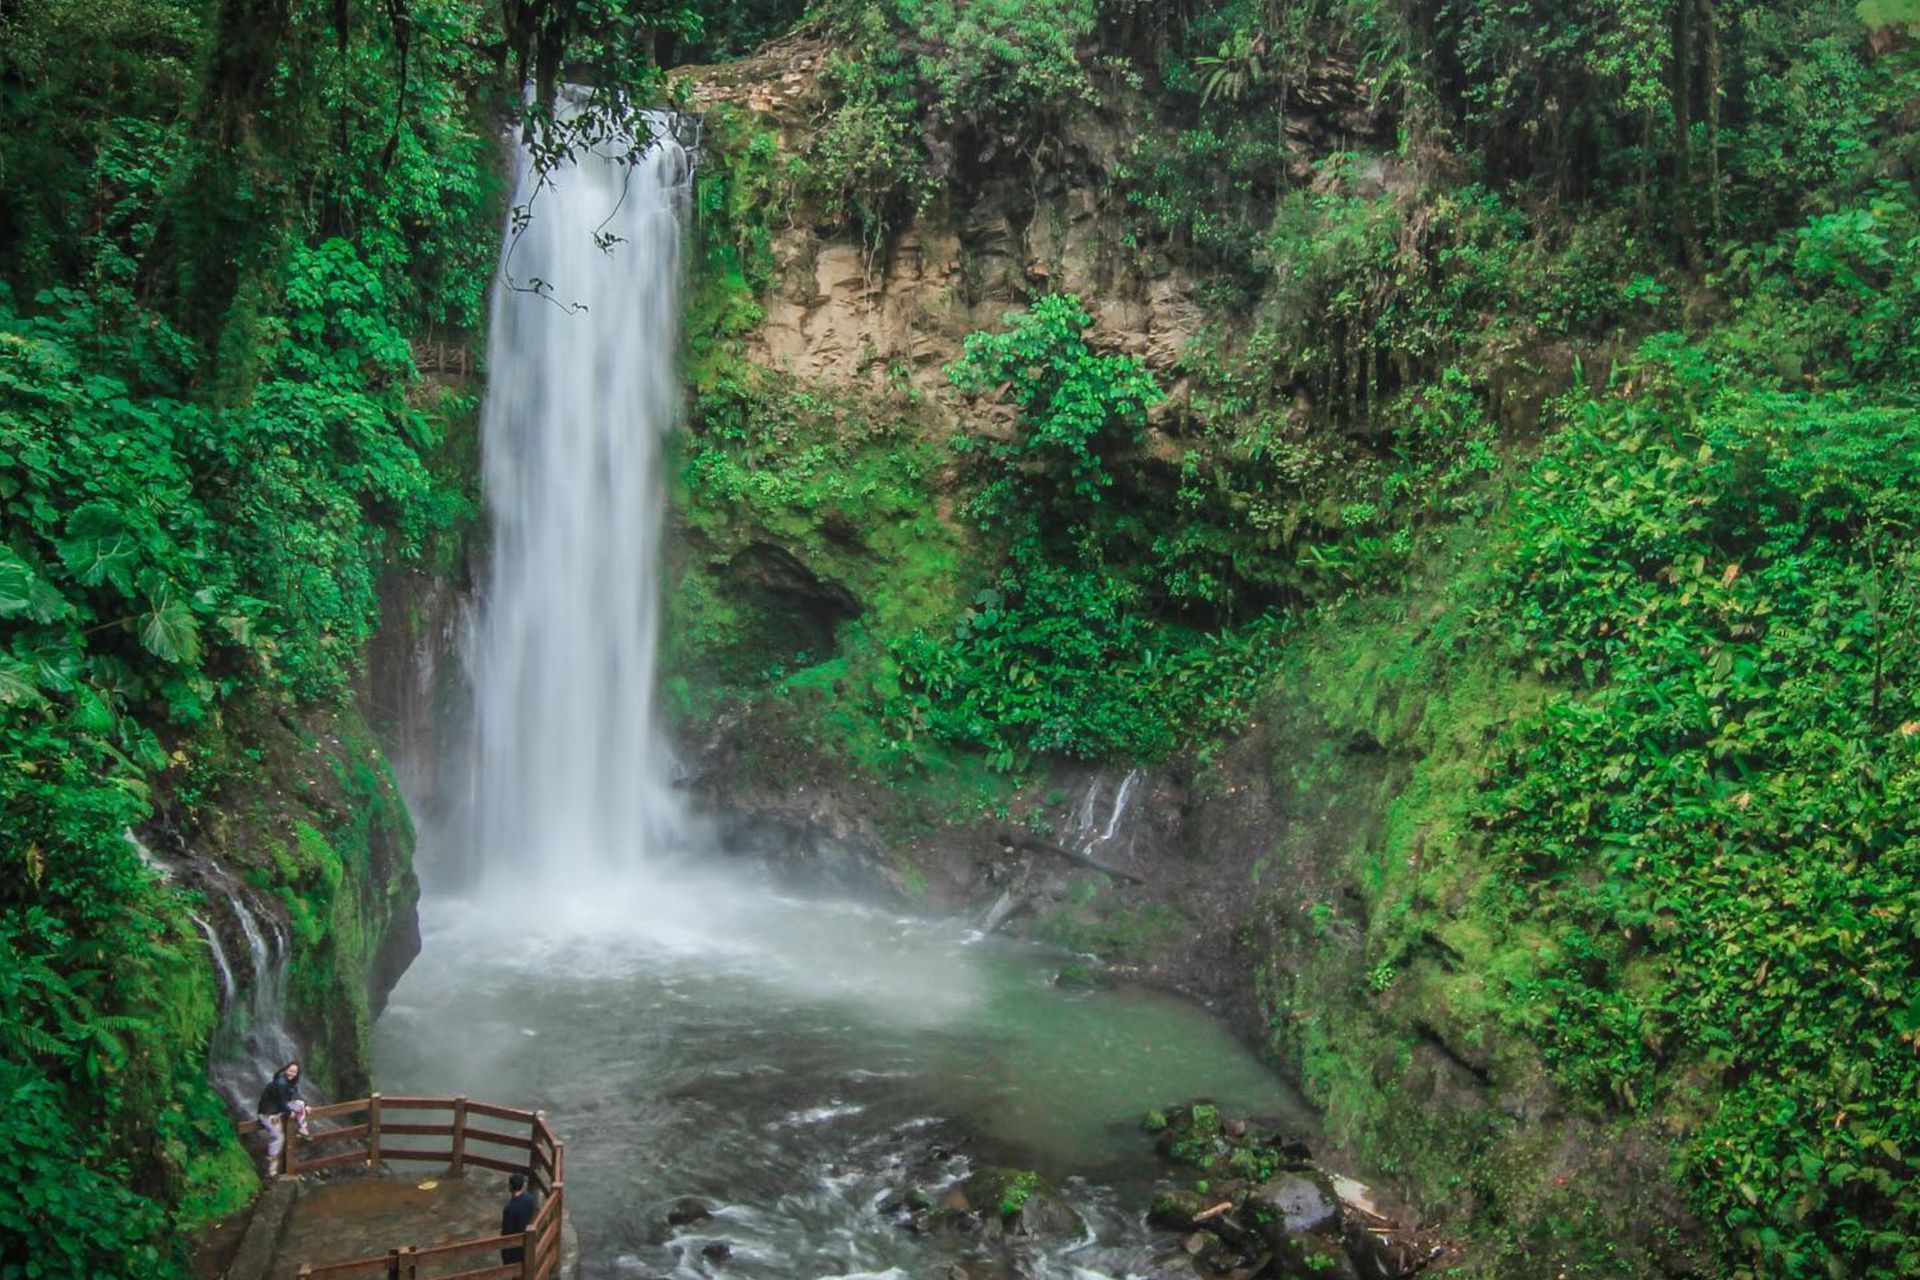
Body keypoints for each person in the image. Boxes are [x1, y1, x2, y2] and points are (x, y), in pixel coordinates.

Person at [255, 1061, 301, 1177]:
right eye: (290, 1070)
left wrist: (304, 1106)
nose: (292, 1073)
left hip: (274, 1112)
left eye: (295, 1072)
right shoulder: (281, 1083)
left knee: (300, 1105)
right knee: (278, 1136)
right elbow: (282, 1102)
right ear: (286, 1070)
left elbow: (287, 1101)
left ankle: (302, 1128)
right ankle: (271, 1167)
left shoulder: (286, 1083)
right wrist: (289, 1112)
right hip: (268, 1113)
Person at [500, 1171, 538, 1265]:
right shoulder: (530, 1199)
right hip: (527, 1242)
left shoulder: (510, 1209)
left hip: (514, 1247)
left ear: (510, 1187)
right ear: (522, 1185)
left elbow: (506, 1231)